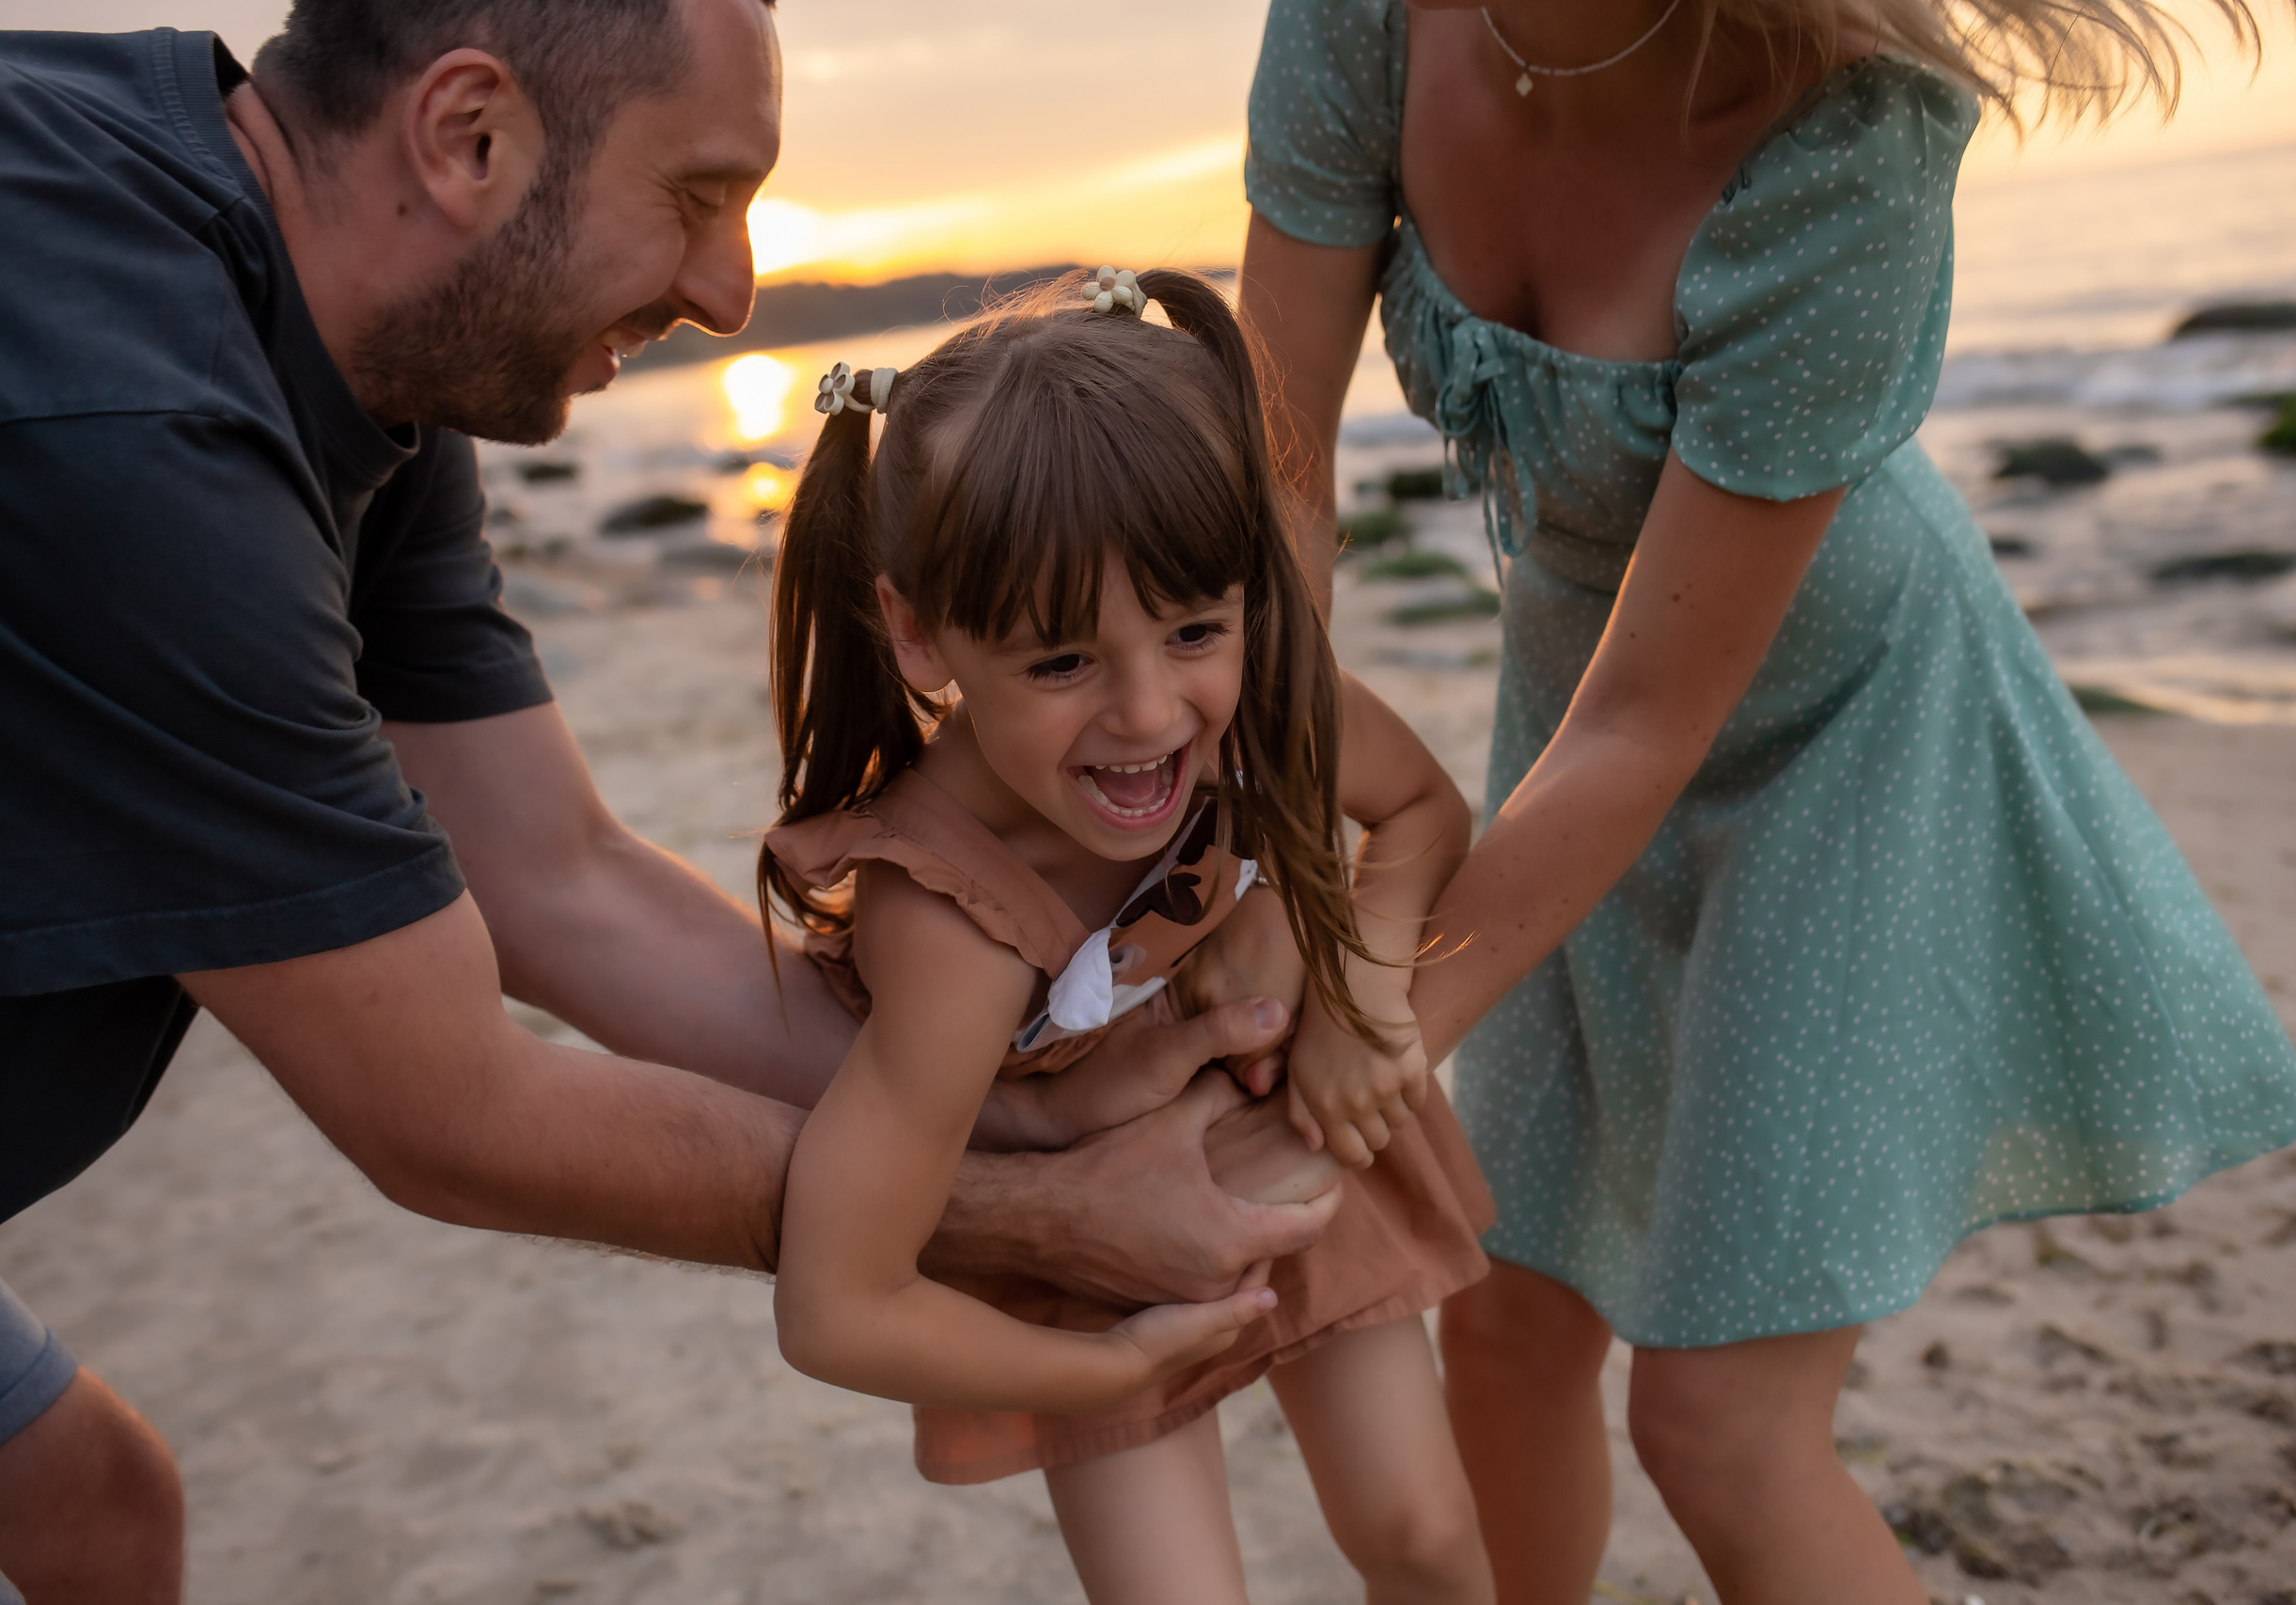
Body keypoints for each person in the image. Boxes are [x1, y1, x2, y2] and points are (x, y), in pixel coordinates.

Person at [0, 7, 1336, 1599]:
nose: (729, 291)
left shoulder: (350, 346)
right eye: (698, 197)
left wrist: (1007, 1102)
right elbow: (447, 1115)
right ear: (467, 136)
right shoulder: (136, 430)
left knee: (94, 1516)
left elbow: (560, 877)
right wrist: (1023, 1215)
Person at [1237, 0, 2296, 1599]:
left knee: (1720, 1423)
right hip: (1566, 714)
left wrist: (1378, 1013)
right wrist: (1279, 883)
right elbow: (1276, 485)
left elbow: (1647, 723)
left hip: (1850, 741)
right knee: (1506, 1314)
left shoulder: (1853, 130)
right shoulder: (1363, 23)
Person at [757, 269, 1499, 1605]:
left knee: (1427, 1538)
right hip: (1091, 1274)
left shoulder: (1258, 692)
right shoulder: (952, 922)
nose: (1151, 714)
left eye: (1193, 629)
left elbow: (1423, 813)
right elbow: (836, 1303)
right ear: (918, 633)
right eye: (1061, 662)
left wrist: (1364, 987)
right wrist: (1106, 1370)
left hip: (1280, 1136)